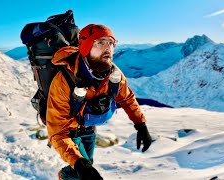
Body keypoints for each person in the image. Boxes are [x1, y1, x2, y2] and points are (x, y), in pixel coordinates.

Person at [44, 24, 153, 180]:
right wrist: (80, 164)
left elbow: (127, 98)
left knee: (88, 164)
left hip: (89, 125)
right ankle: (64, 176)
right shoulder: (64, 81)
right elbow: (57, 132)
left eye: (111, 43)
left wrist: (141, 125)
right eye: (100, 42)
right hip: (70, 130)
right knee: (80, 169)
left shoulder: (113, 74)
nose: (107, 48)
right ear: (86, 48)